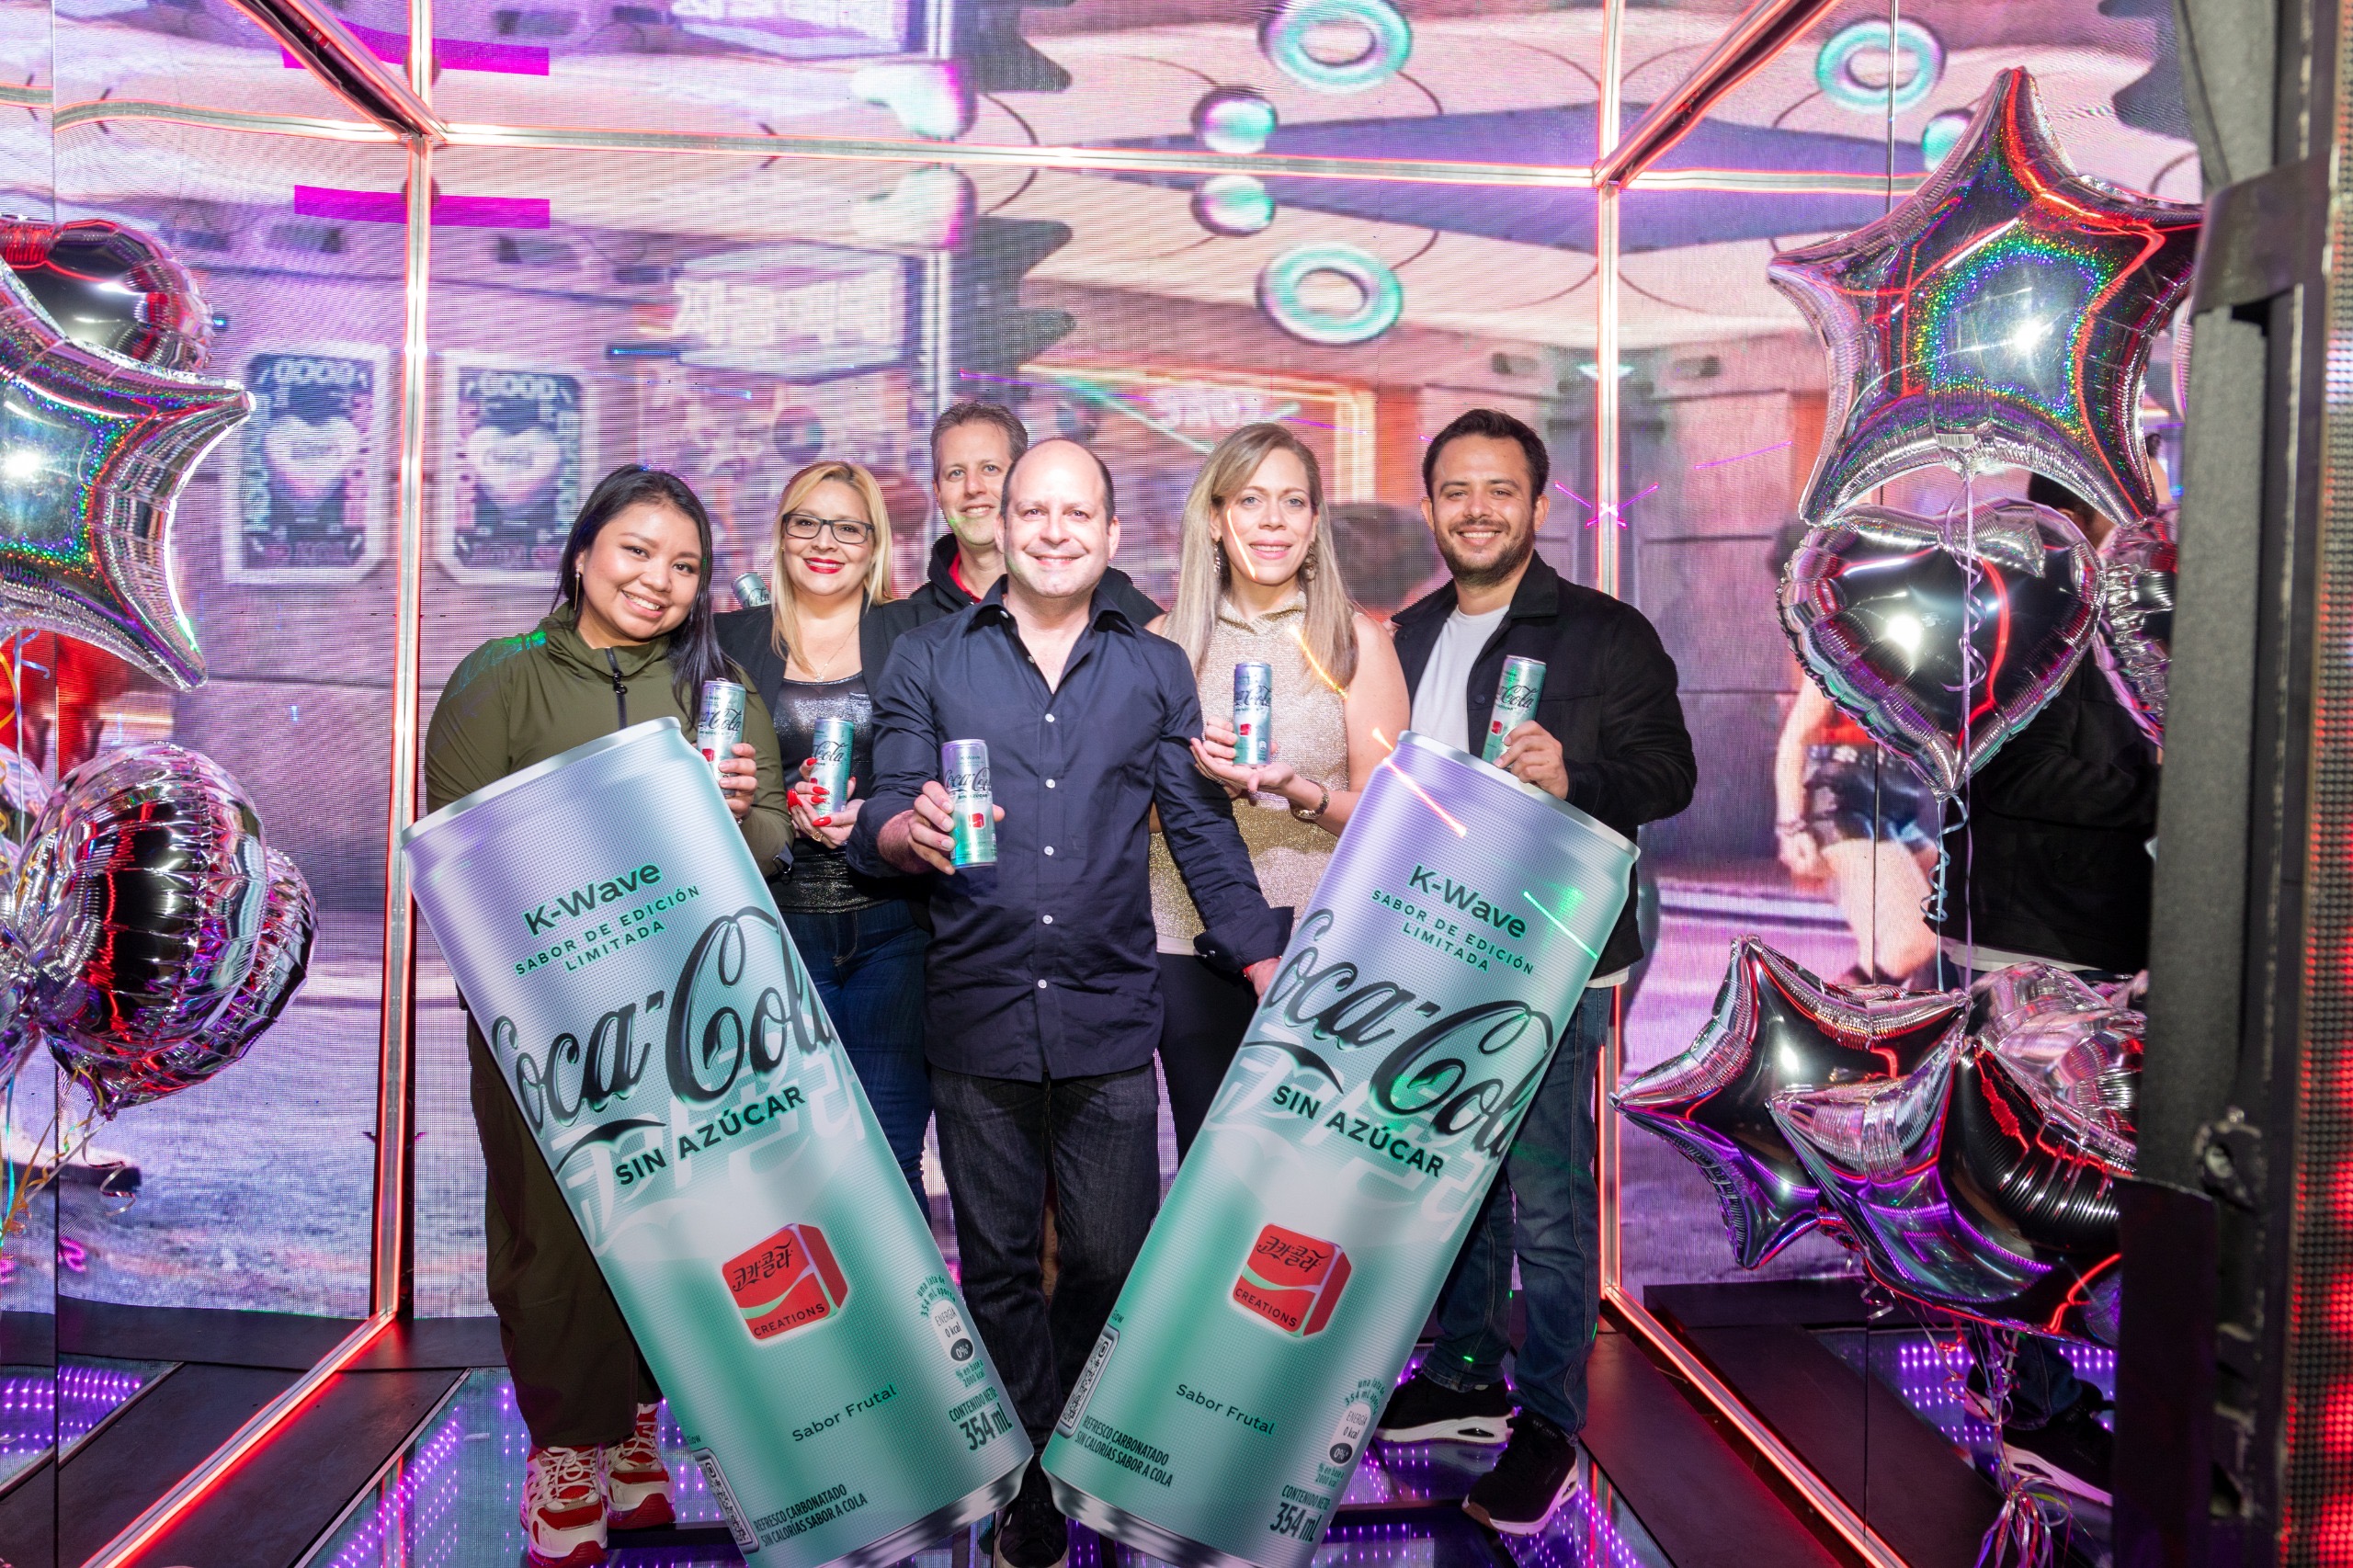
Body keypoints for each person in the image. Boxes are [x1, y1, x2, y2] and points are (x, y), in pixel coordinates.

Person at [849, 437, 1283, 1568]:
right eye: (1032, 511)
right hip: (977, 1006)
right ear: (1000, 526)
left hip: (1107, 1009)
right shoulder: (930, 657)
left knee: (1106, 1257)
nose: (1052, 531)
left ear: (1111, 533)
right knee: (995, 1265)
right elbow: (883, 805)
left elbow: (1199, 830)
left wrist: (1260, 959)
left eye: (1075, 513)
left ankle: (1086, 1437)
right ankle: (1033, 1473)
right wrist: (905, 831)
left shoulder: (1155, 668)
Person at [426, 466, 792, 1568]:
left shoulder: (720, 689)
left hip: (686, 1016)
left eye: (683, 565)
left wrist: (730, 813)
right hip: (543, 1015)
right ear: (583, 551)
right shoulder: (502, 677)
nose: (657, 580)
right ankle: (564, 1450)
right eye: (635, 550)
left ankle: (636, 1424)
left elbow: (770, 846)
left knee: (679, 1226)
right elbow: (456, 851)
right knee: (551, 1239)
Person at [1372, 408, 1696, 1533]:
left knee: (1548, 1205)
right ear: (1430, 506)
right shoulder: (1406, 635)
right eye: (1456, 490)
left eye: (1499, 489)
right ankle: (1463, 1372)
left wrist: (1575, 772)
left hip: (1553, 961)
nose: (1477, 510)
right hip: (1429, 953)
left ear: (1538, 504)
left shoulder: (1604, 633)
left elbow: (1671, 774)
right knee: (1451, 1186)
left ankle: (1549, 1418)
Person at [1938, 470, 2159, 1505]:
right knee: (2022, 1191)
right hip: (2025, 945)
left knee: (2049, 1184)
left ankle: (2028, 1394)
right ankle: (2034, 1409)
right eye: (2127, 497)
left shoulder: (2093, 621)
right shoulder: (2018, 617)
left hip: (2075, 935)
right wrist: (2168, 777)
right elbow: (2006, 770)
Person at [1147, 423, 1408, 1155]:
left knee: (1311, 1165)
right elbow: (1122, 816)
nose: (1272, 521)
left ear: (1314, 522)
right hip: (1183, 935)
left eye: (1292, 502)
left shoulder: (1355, 643)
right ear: (1214, 518)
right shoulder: (1161, 644)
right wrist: (1202, 788)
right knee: (1211, 1158)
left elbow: (1393, 819)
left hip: (1323, 940)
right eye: (1250, 500)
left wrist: (1297, 789)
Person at [714, 460, 930, 1199]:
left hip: (897, 927)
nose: (824, 542)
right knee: (797, 1163)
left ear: (875, 545)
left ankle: (899, 1285)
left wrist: (875, 818)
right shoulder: (727, 640)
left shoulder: (914, 633)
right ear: (781, 535)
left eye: (847, 528)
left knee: (890, 1157)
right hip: (772, 926)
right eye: (805, 522)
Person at [1768, 517, 1939, 987]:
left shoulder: (1908, 628)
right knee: (1912, 942)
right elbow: (1796, 738)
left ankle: (1857, 1026)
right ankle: (1822, 1019)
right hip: (1847, 799)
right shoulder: (1843, 636)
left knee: (1933, 926)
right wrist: (1791, 827)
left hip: (1894, 800)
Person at [871, 400, 1160, 641]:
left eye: (990, 468)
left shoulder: (1111, 598)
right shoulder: (912, 621)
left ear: (1022, 481)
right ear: (937, 492)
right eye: (955, 473)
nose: (973, 487)